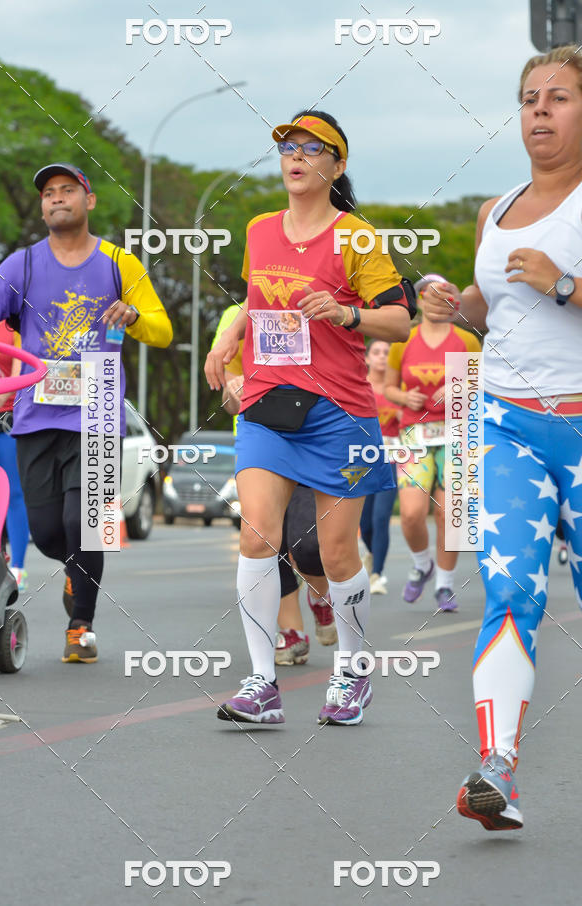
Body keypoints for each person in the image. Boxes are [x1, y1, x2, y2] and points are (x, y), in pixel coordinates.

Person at [205, 111, 415, 726]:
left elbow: (398, 321)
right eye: (287, 148)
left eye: (311, 148)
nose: (295, 157)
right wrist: (228, 338)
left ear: (336, 165)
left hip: (339, 411)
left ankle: (352, 672)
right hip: (268, 403)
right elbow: (254, 297)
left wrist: (344, 314)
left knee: (336, 551)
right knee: (256, 536)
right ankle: (261, 683)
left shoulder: (358, 237)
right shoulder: (260, 228)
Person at [425, 46, 582, 830]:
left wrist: (563, 281)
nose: (540, 111)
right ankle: (496, 772)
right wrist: (455, 305)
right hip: (506, 423)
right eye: (529, 98)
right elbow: (494, 306)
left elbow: (548, 287)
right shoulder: (496, 209)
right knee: (511, 592)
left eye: (559, 97)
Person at [0, 163, 172, 662]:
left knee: (87, 521)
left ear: (89, 201)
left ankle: (81, 626)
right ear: (43, 207)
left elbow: (163, 331)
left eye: (68, 190)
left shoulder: (118, 264)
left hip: (100, 412)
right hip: (35, 414)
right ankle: (75, 569)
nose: (57, 198)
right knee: (47, 529)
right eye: (48, 193)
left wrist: (134, 315)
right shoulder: (21, 265)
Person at [213, 305, 337, 668]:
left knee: (309, 544)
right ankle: (292, 634)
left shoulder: (315, 299)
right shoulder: (234, 316)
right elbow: (228, 399)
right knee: (266, 540)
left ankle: (320, 593)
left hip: (313, 441)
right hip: (261, 445)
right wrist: (234, 390)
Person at [385, 274, 481, 611]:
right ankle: (421, 563)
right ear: (421, 299)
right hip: (414, 432)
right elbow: (388, 388)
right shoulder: (403, 340)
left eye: (446, 296)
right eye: (432, 295)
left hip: (457, 433)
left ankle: (444, 585)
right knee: (411, 513)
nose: (439, 301)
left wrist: (461, 389)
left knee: (449, 515)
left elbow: (479, 386)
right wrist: (404, 397)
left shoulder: (466, 341)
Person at [0, 269, 30, 588]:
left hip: (4, 411)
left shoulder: (10, 322)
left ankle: (19, 569)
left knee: (12, 490)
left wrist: (2, 397)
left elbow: (21, 363)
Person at [359, 339, 401, 595]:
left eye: (387, 352)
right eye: (376, 352)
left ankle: (376, 575)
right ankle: (372, 554)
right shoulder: (359, 386)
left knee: (381, 517)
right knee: (364, 523)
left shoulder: (398, 389)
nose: (382, 357)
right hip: (361, 459)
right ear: (367, 358)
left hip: (392, 458)